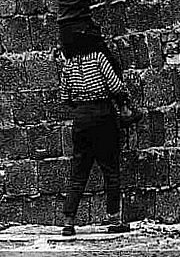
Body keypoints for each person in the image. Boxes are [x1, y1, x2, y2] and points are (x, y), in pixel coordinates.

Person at [56, 0, 142, 125]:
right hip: (85, 32)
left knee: (77, 70)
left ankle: (81, 107)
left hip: (66, 38)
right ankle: (125, 109)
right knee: (111, 64)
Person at [60, 50, 131, 236]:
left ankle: (69, 222)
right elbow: (116, 86)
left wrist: (82, 105)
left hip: (81, 119)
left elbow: (64, 97)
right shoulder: (98, 57)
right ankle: (114, 218)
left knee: (78, 172)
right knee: (110, 169)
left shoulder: (69, 62)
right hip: (103, 116)